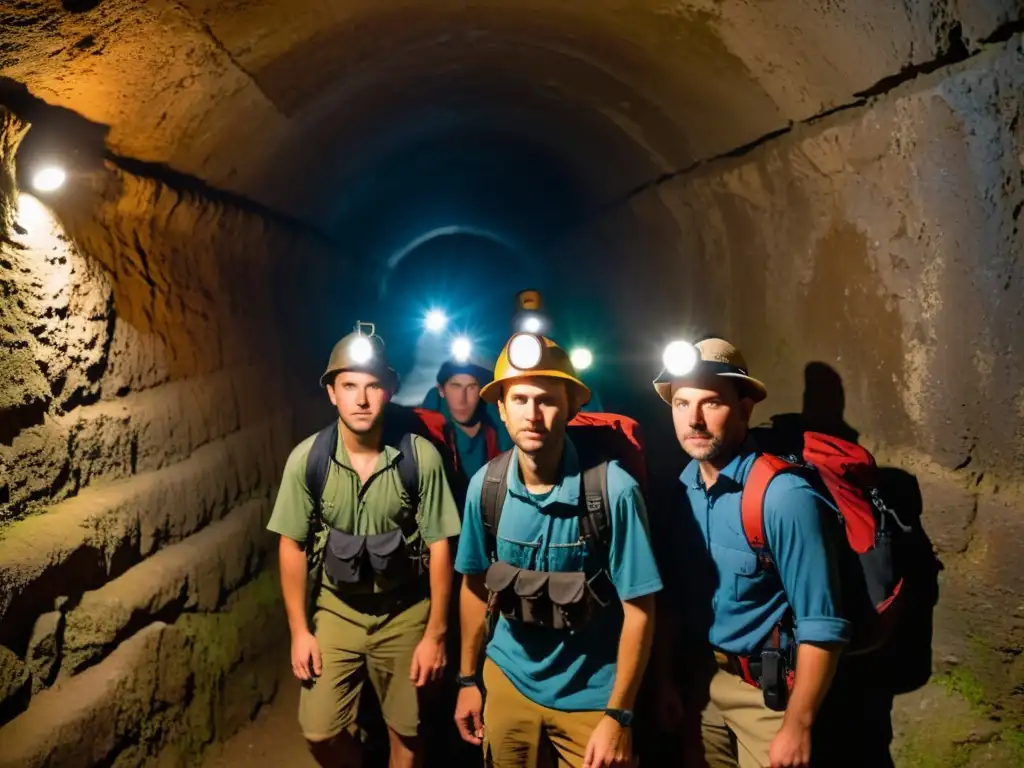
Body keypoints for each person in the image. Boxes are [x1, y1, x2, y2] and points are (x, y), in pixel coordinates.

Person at [453, 332, 663, 767]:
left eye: (547, 400)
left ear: (571, 407)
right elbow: (474, 587)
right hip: (509, 680)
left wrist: (619, 715)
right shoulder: (486, 488)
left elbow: (640, 608)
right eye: (521, 399)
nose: (533, 415)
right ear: (502, 410)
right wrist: (468, 678)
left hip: (592, 693)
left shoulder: (613, 492)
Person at [266, 326, 463, 768]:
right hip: (338, 611)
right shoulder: (308, 460)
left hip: (405, 611)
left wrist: (435, 634)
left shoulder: (419, 458)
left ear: (390, 390)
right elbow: (291, 545)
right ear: (332, 393)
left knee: (407, 736)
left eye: (373, 386)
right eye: (349, 386)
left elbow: (439, 546)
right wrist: (300, 631)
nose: (361, 399)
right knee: (320, 732)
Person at [652, 337, 850, 768]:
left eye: (712, 404)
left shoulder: (783, 497)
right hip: (701, 684)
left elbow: (824, 625)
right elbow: (671, 596)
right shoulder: (683, 489)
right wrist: (667, 679)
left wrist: (798, 726)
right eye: (682, 404)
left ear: (744, 409)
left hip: (768, 698)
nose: (695, 420)